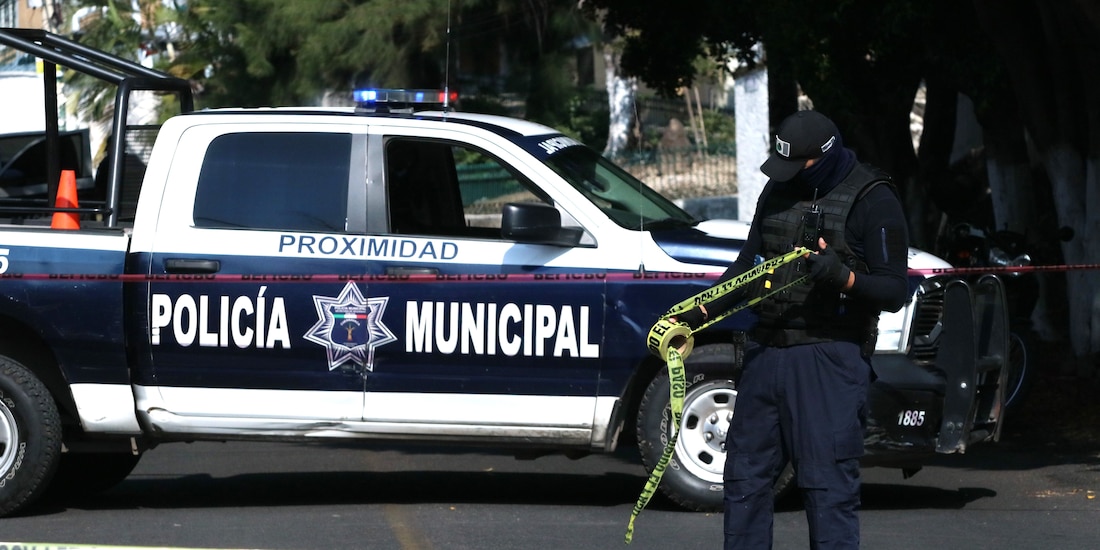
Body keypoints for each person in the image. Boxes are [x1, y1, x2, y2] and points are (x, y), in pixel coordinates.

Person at [672, 110, 909, 549]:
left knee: (826, 490)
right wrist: (695, 313)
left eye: (797, 166)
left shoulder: (873, 198)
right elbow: (745, 268)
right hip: (766, 354)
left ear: (825, 156)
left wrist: (843, 277)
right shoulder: (778, 188)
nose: (788, 177)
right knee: (744, 482)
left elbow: (896, 290)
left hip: (828, 358)